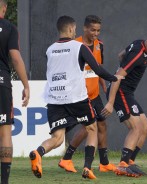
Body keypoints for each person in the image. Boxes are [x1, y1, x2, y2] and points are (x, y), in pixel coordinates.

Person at [29, 15, 122, 180]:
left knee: (57, 138)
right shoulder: (79, 46)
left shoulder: (50, 49)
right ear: (72, 29)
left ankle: (38, 152)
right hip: (76, 98)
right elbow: (98, 69)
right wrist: (115, 78)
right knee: (92, 128)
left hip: (54, 100)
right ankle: (87, 168)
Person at [101, 29, 147, 177]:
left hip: (127, 94)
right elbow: (117, 77)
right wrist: (110, 103)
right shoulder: (138, 54)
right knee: (136, 128)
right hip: (120, 93)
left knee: (145, 127)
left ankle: (130, 161)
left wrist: (123, 65)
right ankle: (123, 165)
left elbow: (121, 54)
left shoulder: (138, 43)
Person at [58, 15, 116, 173]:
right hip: (80, 95)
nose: (95, 33)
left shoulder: (99, 45)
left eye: (98, 30)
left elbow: (98, 68)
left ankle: (104, 163)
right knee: (88, 127)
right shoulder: (73, 44)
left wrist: (105, 88)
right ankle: (66, 159)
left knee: (102, 124)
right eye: (92, 30)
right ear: (84, 28)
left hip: (95, 94)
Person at [0, 1, 30, 183]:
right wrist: (26, 85)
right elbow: (16, 58)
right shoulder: (9, 27)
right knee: (4, 132)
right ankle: (4, 181)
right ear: (4, 8)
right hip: (2, 82)